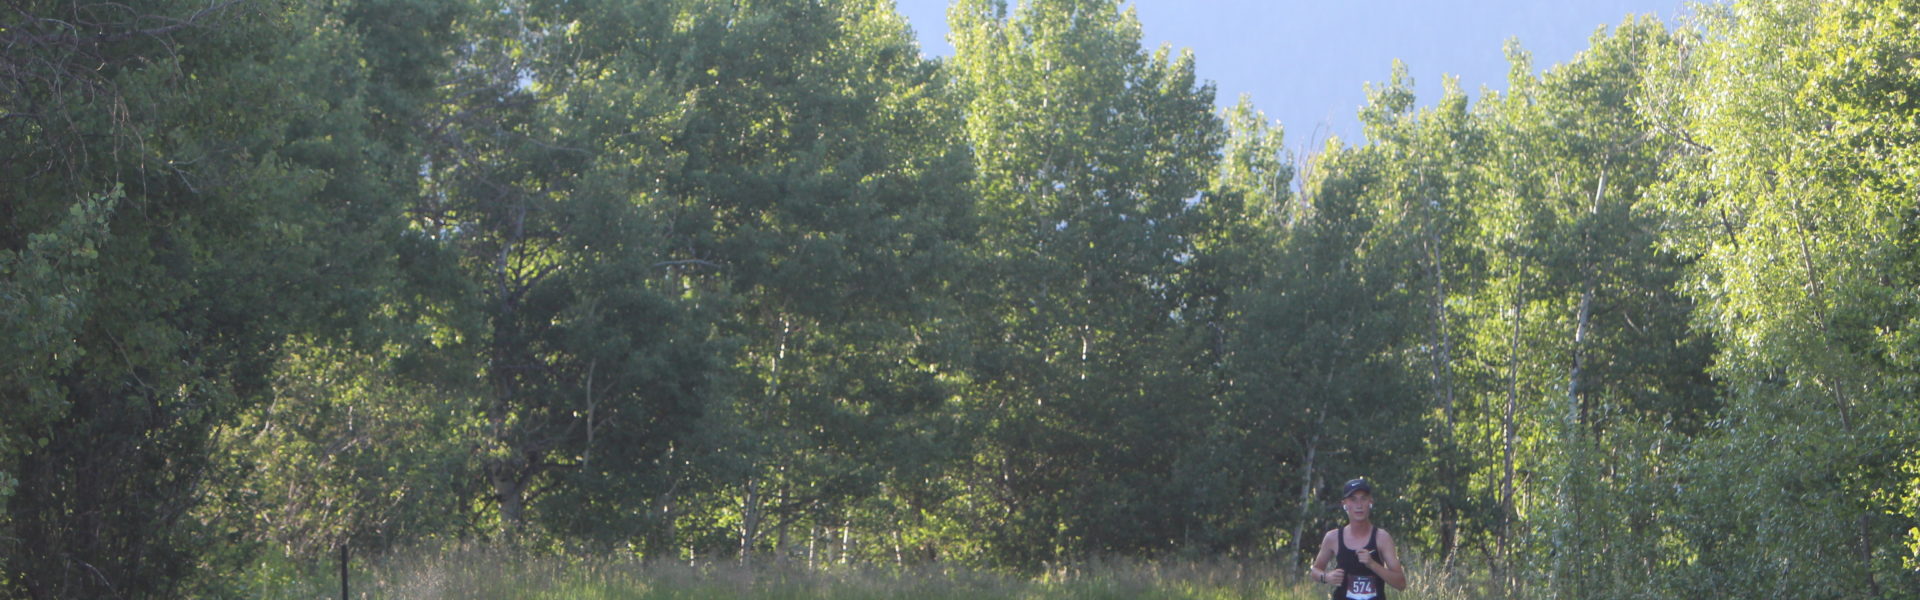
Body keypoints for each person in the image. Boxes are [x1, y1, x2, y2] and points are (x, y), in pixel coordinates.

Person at [1307, 478, 1407, 600]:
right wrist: (1326, 577)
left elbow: (1401, 584)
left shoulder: (1382, 538)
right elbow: (1315, 571)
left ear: (1370, 502)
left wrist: (1372, 564)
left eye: (1363, 499)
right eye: (1353, 499)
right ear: (1345, 504)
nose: (1359, 505)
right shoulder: (1333, 537)